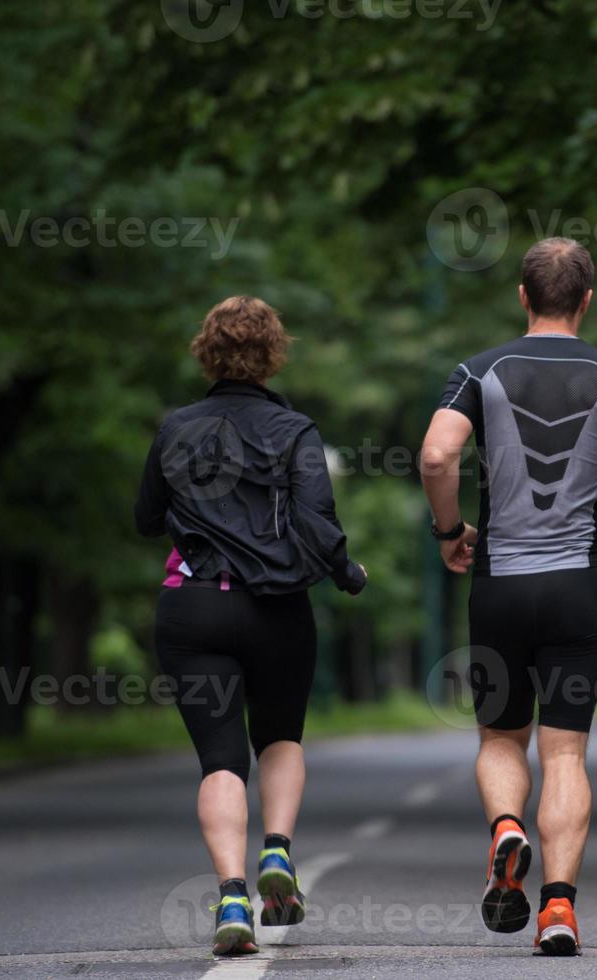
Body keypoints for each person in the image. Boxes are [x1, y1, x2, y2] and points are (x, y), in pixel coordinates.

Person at [419, 238, 597, 956]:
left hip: (499, 581)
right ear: (585, 300)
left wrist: (449, 530)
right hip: (579, 587)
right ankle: (557, 910)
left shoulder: (477, 370)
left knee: (498, 737)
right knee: (565, 756)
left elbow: (435, 455)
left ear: (522, 296)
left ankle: (506, 829)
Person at [135, 295, 367, 957]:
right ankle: (278, 852)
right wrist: (348, 574)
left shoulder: (175, 428)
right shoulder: (295, 431)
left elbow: (146, 518)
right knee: (280, 737)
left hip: (193, 607)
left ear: (206, 352)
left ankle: (231, 894)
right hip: (276, 610)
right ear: (272, 355)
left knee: (219, 761)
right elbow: (317, 525)